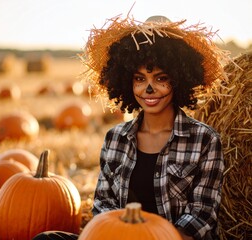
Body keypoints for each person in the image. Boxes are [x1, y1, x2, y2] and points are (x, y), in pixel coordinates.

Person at [33, 14, 229, 240]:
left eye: (160, 78)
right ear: (126, 81)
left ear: (179, 79)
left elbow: (200, 218)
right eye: (139, 78)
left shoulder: (204, 140)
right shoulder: (115, 138)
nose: (148, 89)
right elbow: (103, 205)